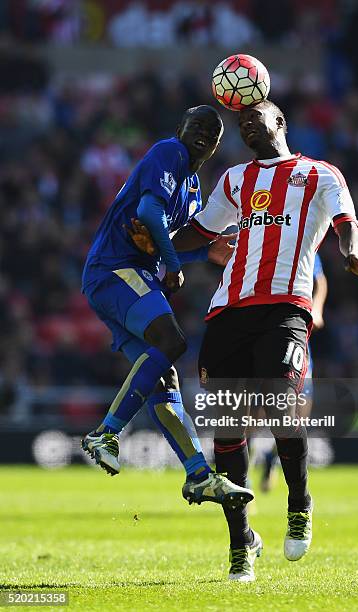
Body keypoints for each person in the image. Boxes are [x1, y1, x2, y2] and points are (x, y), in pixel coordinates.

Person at [128, 99, 358, 582]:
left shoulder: (320, 174)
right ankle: (242, 545)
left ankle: (299, 505)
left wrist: (352, 252)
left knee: (282, 402)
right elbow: (200, 230)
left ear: (279, 123)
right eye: (241, 123)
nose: (247, 126)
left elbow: (346, 223)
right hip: (228, 312)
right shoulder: (235, 179)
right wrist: (161, 241)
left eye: (256, 118)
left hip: (286, 309)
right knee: (229, 432)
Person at [80, 105, 254, 510]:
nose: (204, 134)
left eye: (213, 132)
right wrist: (174, 265)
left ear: (215, 147)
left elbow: (169, 238)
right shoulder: (169, 153)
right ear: (181, 128)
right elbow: (148, 213)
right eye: (197, 126)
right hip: (115, 269)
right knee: (172, 341)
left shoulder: (192, 188)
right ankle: (106, 432)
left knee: (165, 377)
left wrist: (208, 253)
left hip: (122, 280)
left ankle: (197, 474)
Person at [259, 253, 328, 492]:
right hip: (259, 335)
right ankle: (241, 477)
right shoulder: (256, 238)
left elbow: (320, 279)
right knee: (251, 412)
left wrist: (317, 310)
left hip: (295, 337)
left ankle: (271, 459)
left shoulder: (302, 241)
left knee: (299, 415)